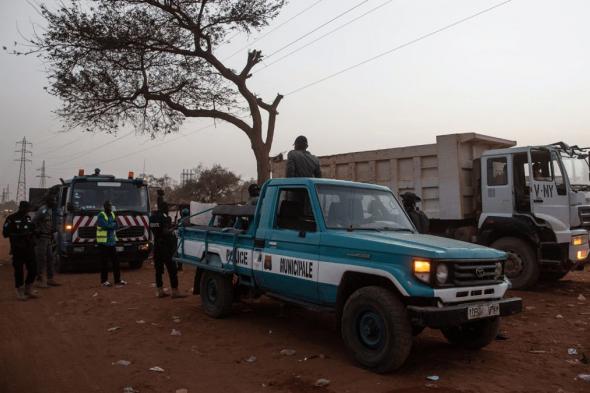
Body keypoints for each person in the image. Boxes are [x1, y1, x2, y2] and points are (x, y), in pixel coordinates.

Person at [2, 201, 38, 300]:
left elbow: (32, 230)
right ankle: (20, 290)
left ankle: (28, 288)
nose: (28, 211)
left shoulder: (28, 218)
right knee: (19, 271)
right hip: (18, 249)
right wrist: (18, 235)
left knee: (33, 269)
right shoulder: (11, 218)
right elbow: (5, 233)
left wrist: (34, 233)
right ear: (22, 208)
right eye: (27, 209)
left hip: (29, 248)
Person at [149, 201, 186, 298]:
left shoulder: (151, 217)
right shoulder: (165, 217)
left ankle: (160, 291)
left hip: (156, 245)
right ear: (164, 208)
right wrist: (173, 228)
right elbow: (165, 231)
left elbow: (155, 230)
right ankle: (175, 292)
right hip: (165, 247)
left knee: (158, 270)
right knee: (172, 269)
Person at [32, 196, 61, 288]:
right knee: (41, 259)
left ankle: (50, 279)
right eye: (53, 200)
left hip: (48, 238)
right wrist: (37, 231)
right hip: (41, 238)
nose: (55, 202)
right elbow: (33, 222)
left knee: (50, 258)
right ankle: (39, 280)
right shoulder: (43, 210)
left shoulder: (50, 210)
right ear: (49, 201)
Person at [96, 200, 126, 287]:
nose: (110, 207)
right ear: (105, 207)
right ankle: (104, 281)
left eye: (110, 206)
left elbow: (117, 225)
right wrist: (113, 225)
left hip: (112, 242)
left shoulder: (112, 214)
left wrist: (112, 225)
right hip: (103, 243)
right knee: (104, 263)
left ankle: (118, 280)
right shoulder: (101, 215)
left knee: (116, 262)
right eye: (108, 206)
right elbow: (106, 226)